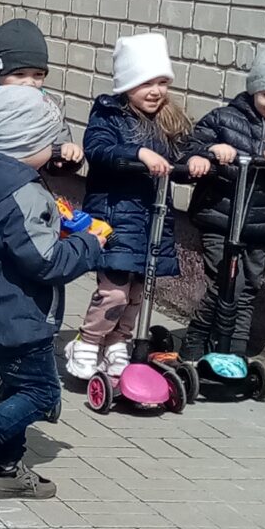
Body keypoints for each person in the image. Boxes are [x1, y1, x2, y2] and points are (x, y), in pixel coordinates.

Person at [0, 85, 112, 501]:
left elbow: (8, 238)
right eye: (49, 141)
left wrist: (57, 225)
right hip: (20, 314)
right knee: (41, 392)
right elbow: (47, 260)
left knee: (17, 387)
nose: (54, 150)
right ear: (28, 143)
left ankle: (7, 469)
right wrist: (89, 244)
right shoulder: (24, 192)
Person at [0, 18, 85, 387]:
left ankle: (23, 341)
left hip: (24, 201)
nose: (30, 83)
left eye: (38, 75)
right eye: (20, 74)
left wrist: (66, 156)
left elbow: (55, 145)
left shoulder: (46, 104)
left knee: (22, 273)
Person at [179, 43, 265, 359]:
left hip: (260, 228)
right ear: (254, 88)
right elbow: (187, 156)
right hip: (220, 220)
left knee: (246, 289)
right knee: (227, 282)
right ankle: (195, 341)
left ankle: (234, 353)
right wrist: (210, 154)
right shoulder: (223, 120)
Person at [75, 32, 195, 382]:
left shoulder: (169, 120)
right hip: (115, 220)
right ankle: (87, 342)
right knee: (114, 293)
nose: (155, 91)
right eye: (145, 83)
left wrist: (199, 160)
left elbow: (185, 154)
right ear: (127, 84)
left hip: (151, 223)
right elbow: (98, 150)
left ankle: (117, 342)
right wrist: (138, 153)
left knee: (139, 294)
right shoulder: (108, 114)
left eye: (162, 82)